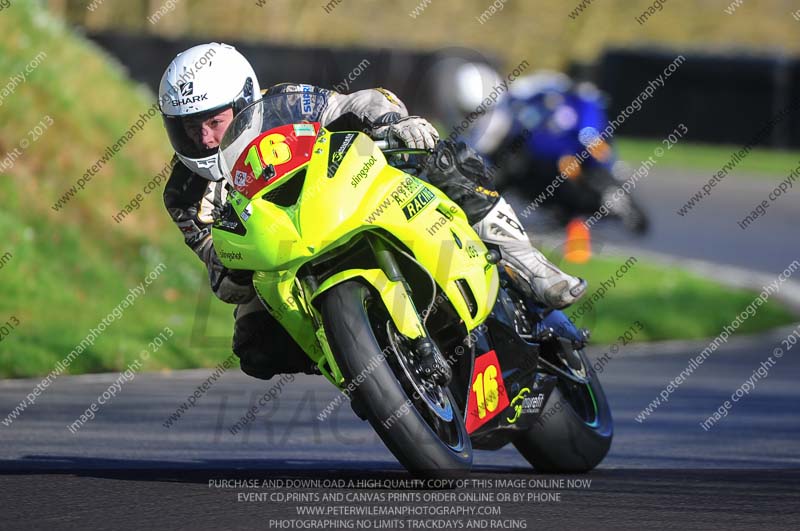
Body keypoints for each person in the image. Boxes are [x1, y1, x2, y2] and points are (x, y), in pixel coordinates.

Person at [159, 43, 586, 380]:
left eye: (213, 121)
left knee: (437, 154)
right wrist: (236, 264)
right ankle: (360, 363)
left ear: (243, 98)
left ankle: (527, 262)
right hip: (278, 257)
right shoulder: (183, 192)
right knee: (254, 346)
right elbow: (221, 276)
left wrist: (392, 123)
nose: (204, 137)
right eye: (187, 127)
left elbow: (353, 104)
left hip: (343, 197)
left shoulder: (284, 103)